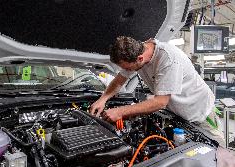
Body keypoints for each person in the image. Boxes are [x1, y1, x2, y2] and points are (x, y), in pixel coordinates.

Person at [90, 36, 225, 146]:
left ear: (140, 58)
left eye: (130, 68)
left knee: (217, 156)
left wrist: (120, 112)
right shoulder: (136, 52)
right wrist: (103, 99)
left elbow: (160, 102)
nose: (128, 71)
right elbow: (119, 80)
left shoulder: (168, 59)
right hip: (177, 113)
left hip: (199, 113)